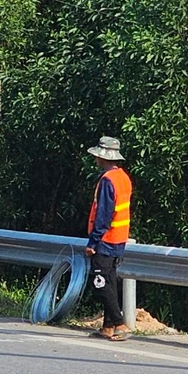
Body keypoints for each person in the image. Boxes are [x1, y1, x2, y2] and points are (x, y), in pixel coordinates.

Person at [83, 135, 134, 340]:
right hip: (119, 238)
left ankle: (119, 323)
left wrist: (93, 242)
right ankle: (108, 327)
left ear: (102, 157)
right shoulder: (123, 177)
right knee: (110, 280)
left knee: (100, 283)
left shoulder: (107, 180)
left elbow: (104, 214)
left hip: (105, 239)